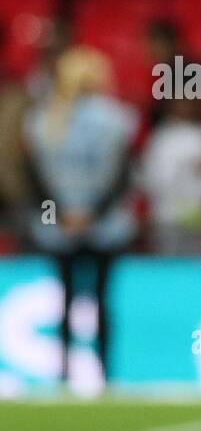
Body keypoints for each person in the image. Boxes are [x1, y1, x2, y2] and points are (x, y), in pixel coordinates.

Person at [23, 47, 137, 388]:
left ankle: (63, 373)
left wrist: (60, 213)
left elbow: (35, 178)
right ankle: (104, 374)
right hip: (105, 223)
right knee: (102, 299)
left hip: (56, 223)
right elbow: (123, 176)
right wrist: (92, 213)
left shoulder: (42, 119)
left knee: (65, 299)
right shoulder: (118, 118)